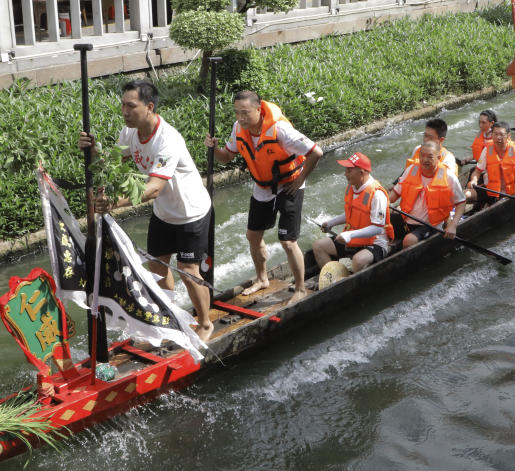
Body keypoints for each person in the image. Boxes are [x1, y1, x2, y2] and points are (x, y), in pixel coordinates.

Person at [79, 80, 215, 338]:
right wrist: (92, 148)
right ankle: (170, 315)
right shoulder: (130, 133)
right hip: (163, 213)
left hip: (191, 212)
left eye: (131, 106)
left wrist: (114, 204)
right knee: (157, 268)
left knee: (188, 271)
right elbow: (110, 166)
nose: (125, 111)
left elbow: (153, 188)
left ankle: (206, 323)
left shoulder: (168, 139)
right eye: (122, 105)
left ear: (150, 107)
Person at [207, 90, 322, 303]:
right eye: (237, 113)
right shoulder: (238, 128)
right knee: (253, 236)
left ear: (259, 110)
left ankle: (300, 288)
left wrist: (299, 179)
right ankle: (262, 279)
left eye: (245, 113)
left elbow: (316, 152)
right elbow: (227, 157)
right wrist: (214, 149)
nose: (240, 118)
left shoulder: (280, 130)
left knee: (287, 241)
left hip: (290, 184)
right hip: (263, 186)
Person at [313, 152, 393, 272]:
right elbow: (351, 214)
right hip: (354, 240)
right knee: (318, 246)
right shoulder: (352, 187)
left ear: (361, 173)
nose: (345, 174)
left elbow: (378, 228)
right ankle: (333, 278)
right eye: (346, 170)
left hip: (375, 243)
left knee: (358, 260)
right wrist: (331, 223)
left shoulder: (377, 194)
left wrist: (350, 235)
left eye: (349, 171)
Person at [389, 141, 466, 248]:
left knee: (409, 240)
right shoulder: (411, 169)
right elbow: (394, 195)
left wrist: (453, 226)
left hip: (430, 225)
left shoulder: (449, 177)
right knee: (381, 225)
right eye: (422, 155)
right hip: (405, 219)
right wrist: (383, 201)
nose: (425, 160)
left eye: (430, 157)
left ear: (439, 158)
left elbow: (461, 203)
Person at [467, 121, 515, 208]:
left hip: (512, 194)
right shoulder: (487, 149)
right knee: (466, 194)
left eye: (501, 134)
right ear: (492, 135)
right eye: (495, 134)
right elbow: (477, 171)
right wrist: (474, 180)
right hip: (492, 192)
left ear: (508, 136)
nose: (498, 137)